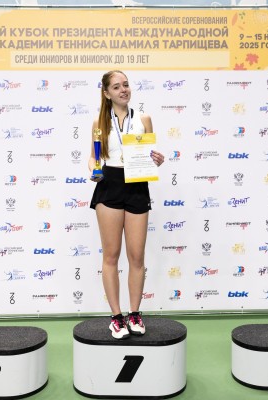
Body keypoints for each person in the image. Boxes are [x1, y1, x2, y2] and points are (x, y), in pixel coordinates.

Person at [88, 70, 164, 339]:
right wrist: (93, 169)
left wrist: (156, 159)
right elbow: (93, 157)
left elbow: (150, 154)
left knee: (137, 256)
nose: (123, 90)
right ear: (107, 93)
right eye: (117, 87)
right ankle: (116, 317)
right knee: (111, 256)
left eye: (126, 85)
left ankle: (134, 314)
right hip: (109, 184)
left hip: (137, 186)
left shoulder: (144, 119)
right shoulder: (99, 122)